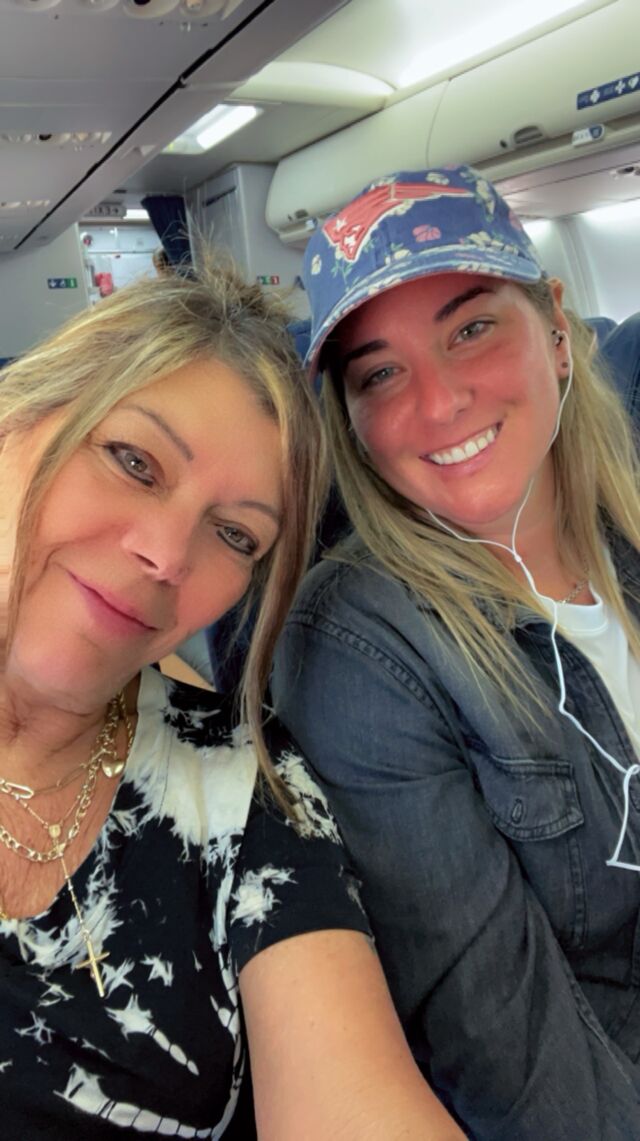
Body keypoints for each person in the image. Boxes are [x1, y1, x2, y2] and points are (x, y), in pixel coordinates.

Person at [0, 257, 463, 1140]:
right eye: (134, 462)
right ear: (16, 419)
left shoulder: (246, 785)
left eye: (234, 534)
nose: (168, 555)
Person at [272, 165, 640, 1139]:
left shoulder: (628, 532)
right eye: (380, 373)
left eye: (471, 328)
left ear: (555, 326)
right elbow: (512, 1054)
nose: (438, 403)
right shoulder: (360, 649)